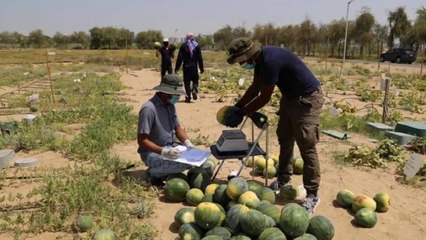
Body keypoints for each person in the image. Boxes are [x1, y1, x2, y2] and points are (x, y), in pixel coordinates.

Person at [224, 37, 325, 214]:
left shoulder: (270, 60)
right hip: (290, 98)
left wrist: (242, 112)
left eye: (240, 61)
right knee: (285, 137)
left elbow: (264, 97)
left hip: (307, 98)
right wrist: (238, 106)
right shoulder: (260, 61)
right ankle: (284, 178)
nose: (241, 65)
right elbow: (255, 88)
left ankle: (312, 194)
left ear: (248, 55)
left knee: (306, 145)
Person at [137, 74, 195, 186]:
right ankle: (153, 173)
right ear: (165, 91)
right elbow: (142, 140)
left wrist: (188, 143)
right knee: (182, 165)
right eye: (176, 94)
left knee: (200, 161)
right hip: (153, 153)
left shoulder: (170, 106)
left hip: (172, 148)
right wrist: (164, 152)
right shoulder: (149, 109)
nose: (178, 96)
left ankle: (166, 172)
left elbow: (177, 128)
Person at [175, 32, 204, 103]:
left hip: (186, 66)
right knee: (195, 80)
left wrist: (177, 68)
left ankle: (188, 97)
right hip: (194, 66)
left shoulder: (184, 46)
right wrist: (201, 68)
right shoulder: (196, 46)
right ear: (193, 37)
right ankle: (194, 89)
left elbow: (180, 58)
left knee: (187, 82)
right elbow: (200, 58)